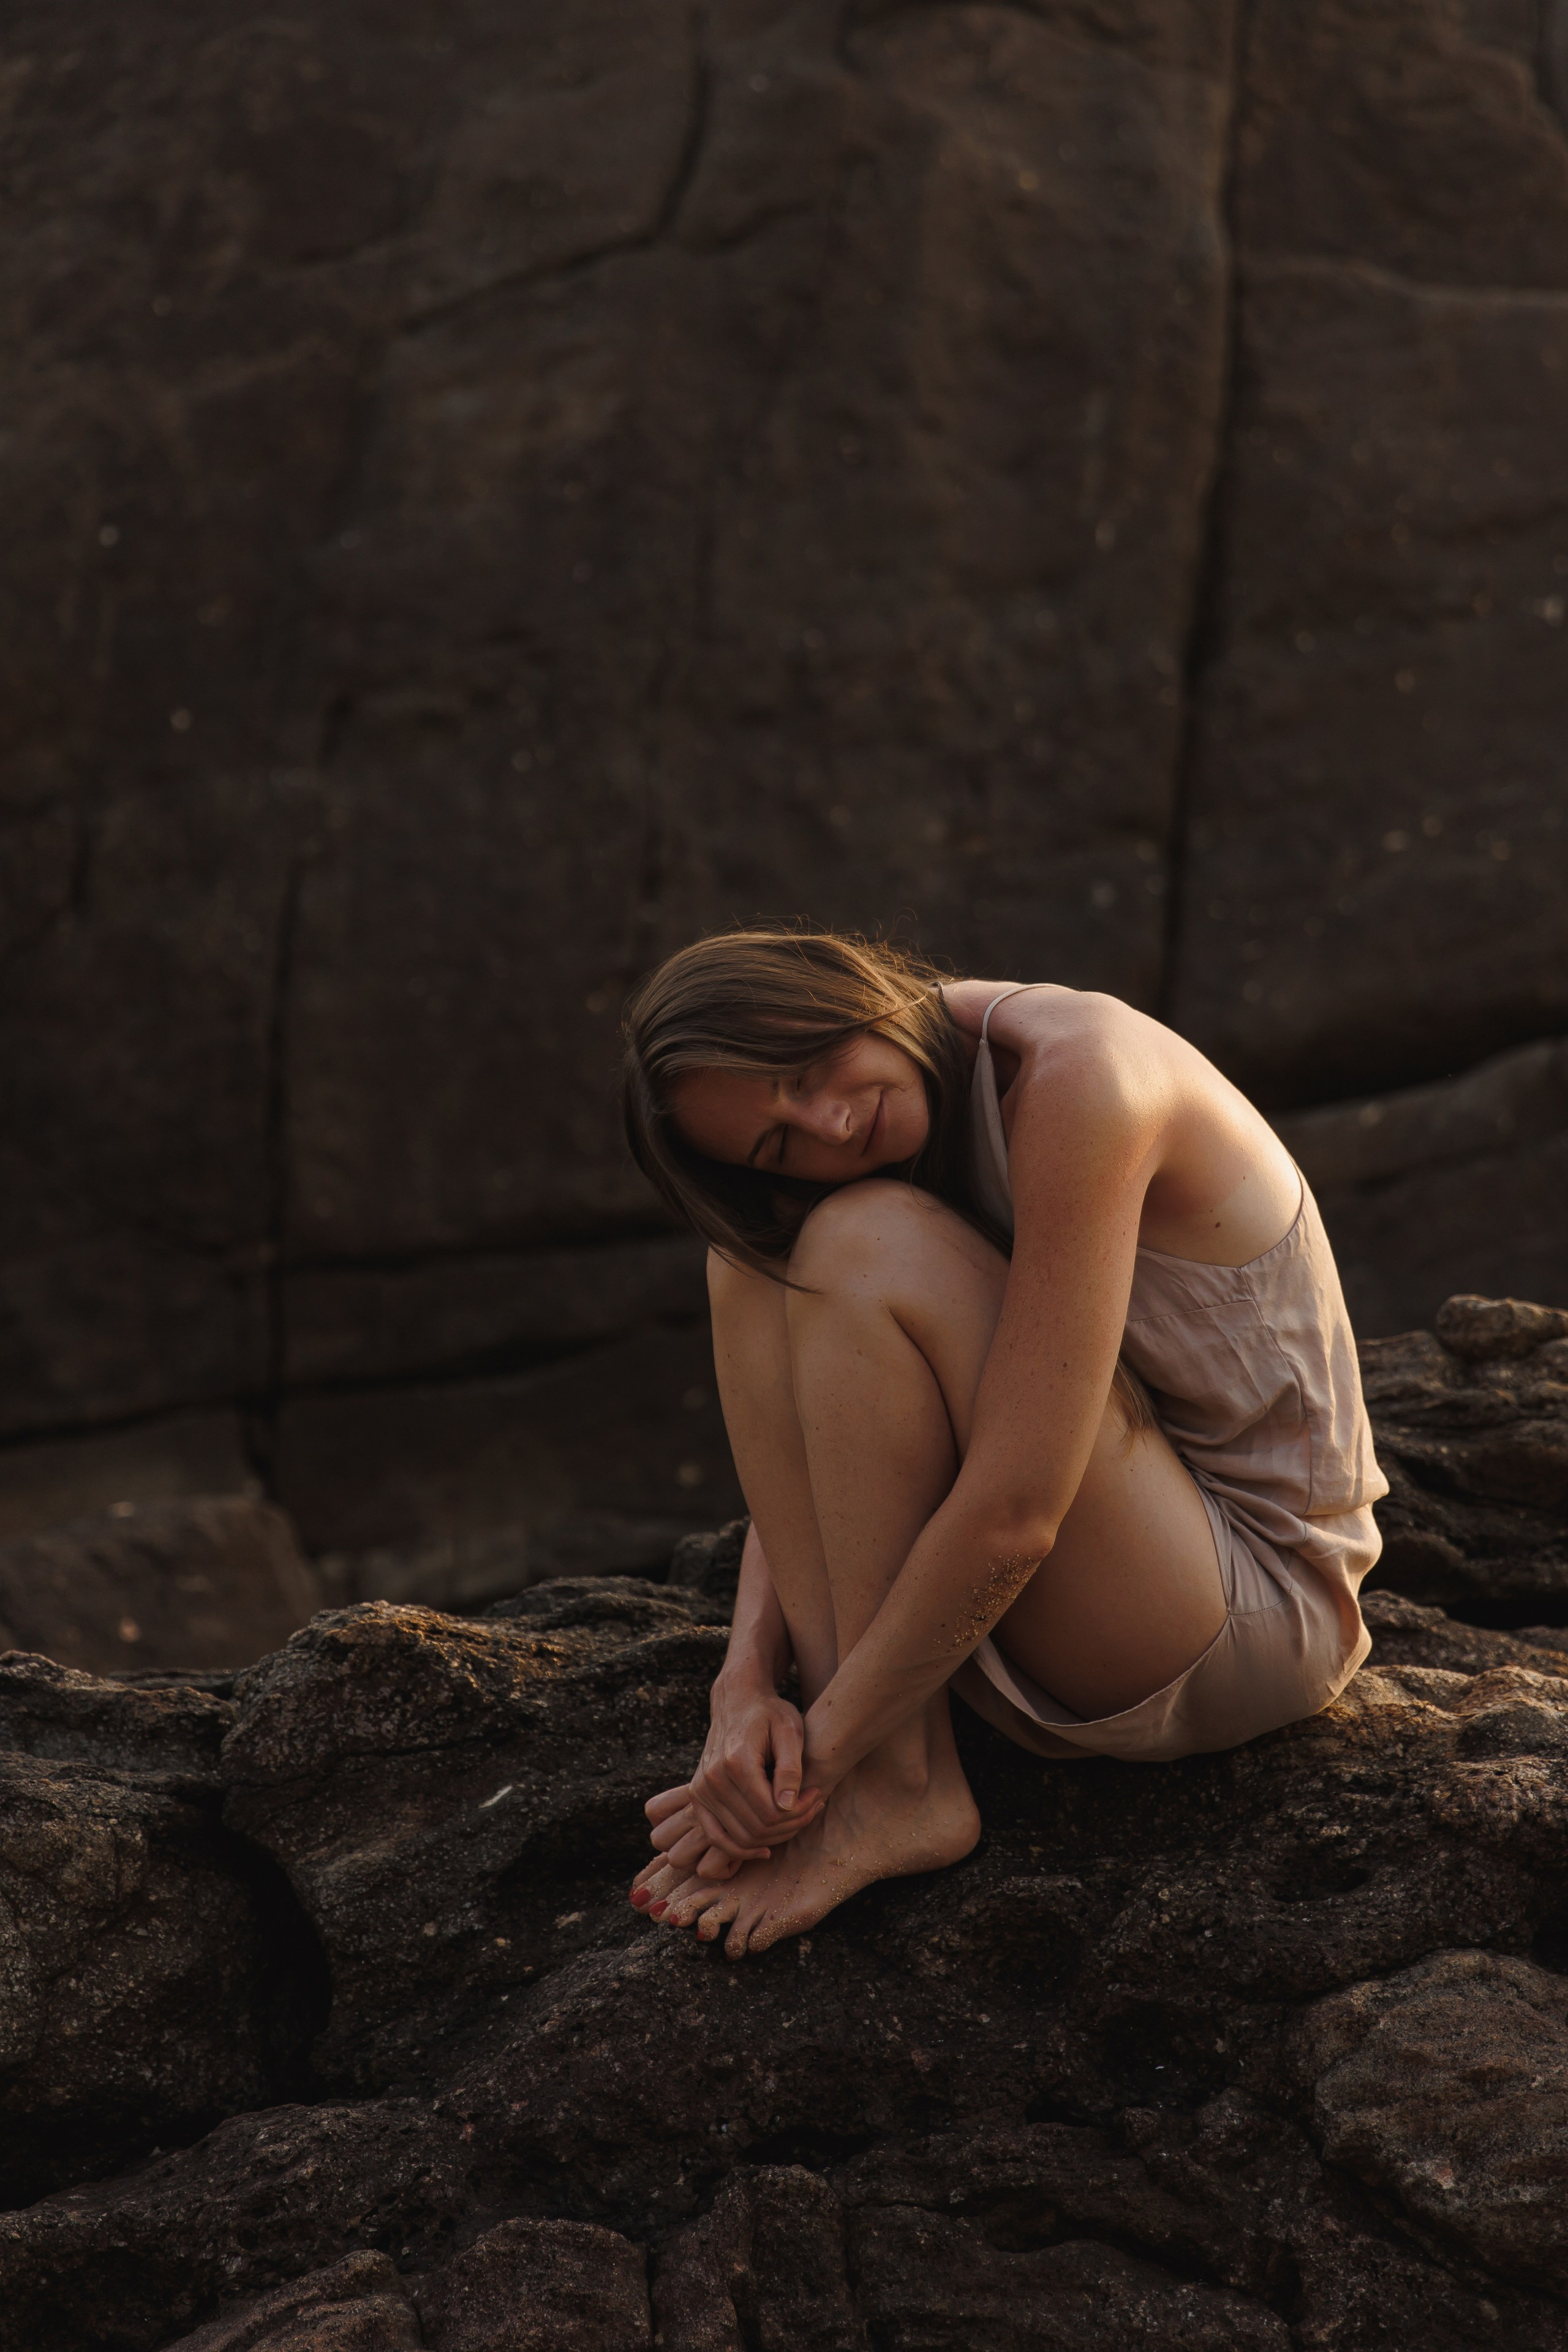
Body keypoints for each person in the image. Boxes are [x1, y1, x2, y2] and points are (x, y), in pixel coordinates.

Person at [619, 927, 1386, 1959]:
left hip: (1246, 1605)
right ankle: (900, 1766)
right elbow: (825, 1443)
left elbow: (1018, 1513)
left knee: (854, 1239)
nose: (830, 1124)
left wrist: (813, 1768)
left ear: (850, 987)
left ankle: (896, 1784)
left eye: (810, 1070)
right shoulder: (883, 1140)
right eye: (778, 1145)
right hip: (1079, 1592)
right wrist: (746, 1685)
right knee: (753, 1261)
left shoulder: (1081, 1075)